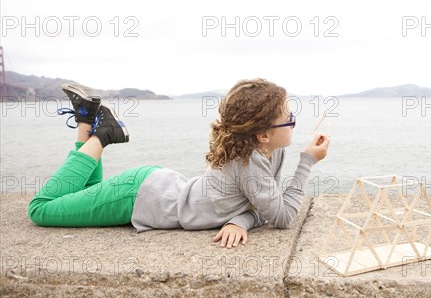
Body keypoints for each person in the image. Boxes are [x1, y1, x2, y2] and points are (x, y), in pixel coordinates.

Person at [28, 79, 330, 249]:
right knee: (42, 209)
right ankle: (105, 133)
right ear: (263, 134)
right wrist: (307, 162)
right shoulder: (248, 161)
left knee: (85, 190)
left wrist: (241, 220)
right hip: (136, 197)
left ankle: (86, 116)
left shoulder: (269, 151)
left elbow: (264, 206)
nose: (294, 123)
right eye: (289, 118)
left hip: (153, 187)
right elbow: (283, 216)